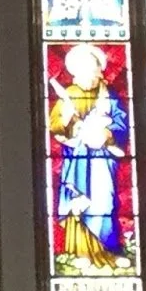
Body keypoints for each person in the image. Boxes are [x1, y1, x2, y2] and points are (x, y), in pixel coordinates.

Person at [47, 43, 129, 270]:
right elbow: (55, 127)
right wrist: (66, 118)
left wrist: (108, 134)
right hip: (77, 157)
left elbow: (122, 122)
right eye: (86, 70)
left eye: (95, 69)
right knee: (80, 198)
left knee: (105, 199)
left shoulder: (108, 95)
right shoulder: (70, 95)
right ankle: (81, 251)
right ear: (76, 72)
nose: (92, 74)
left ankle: (109, 249)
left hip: (103, 158)